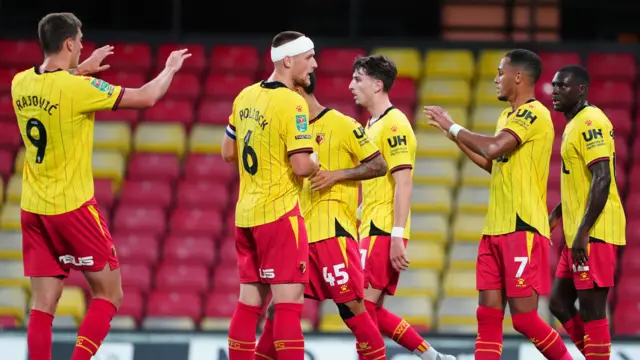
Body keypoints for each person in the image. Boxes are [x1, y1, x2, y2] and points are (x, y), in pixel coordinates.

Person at [12, 12, 191, 360]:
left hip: (33, 208)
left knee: (43, 305)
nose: (82, 45)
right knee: (110, 294)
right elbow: (145, 97)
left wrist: (80, 70)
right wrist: (169, 68)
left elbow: (53, 87)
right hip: (73, 207)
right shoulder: (80, 89)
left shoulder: (20, 82)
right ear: (68, 43)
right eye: (79, 39)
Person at [425, 49, 572, 360]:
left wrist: (454, 127)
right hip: (495, 229)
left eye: (500, 72)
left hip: (522, 228)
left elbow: (492, 149)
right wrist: (456, 138)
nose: (495, 79)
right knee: (487, 317)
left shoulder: (535, 114)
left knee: (525, 319)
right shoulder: (507, 116)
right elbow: (495, 163)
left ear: (518, 76)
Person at [253, 72, 390, 360]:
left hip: (333, 234)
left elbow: (379, 165)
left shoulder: (342, 124)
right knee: (278, 311)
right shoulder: (288, 130)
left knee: (351, 307)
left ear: (298, 89)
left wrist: (337, 175)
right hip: (298, 235)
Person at [220, 31, 319, 360]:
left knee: (249, 306)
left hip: (246, 215)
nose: (315, 65)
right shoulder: (293, 102)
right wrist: (315, 156)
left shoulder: (244, 96)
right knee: (288, 309)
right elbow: (303, 166)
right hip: (279, 215)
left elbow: (227, 151)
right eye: (309, 58)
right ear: (288, 60)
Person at [352, 55, 456, 360]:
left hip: (384, 229)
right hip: (371, 226)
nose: (350, 85)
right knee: (371, 310)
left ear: (377, 84)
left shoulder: (395, 124)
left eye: (358, 79)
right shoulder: (372, 124)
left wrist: (397, 235)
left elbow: (404, 182)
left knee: (360, 309)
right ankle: (433, 358)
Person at [547, 65, 625, 359]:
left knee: (592, 312)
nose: (555, 91)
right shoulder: (574, 123)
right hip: (579, 231)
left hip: (594, 232)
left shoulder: (591, 122)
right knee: (558, 303)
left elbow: (602, 177)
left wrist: (582, 232)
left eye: (562, 86)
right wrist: (557, 214)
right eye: (554, 85)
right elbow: (582, 182)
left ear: (581, 90)